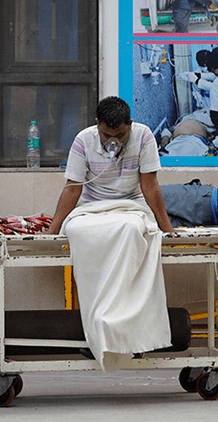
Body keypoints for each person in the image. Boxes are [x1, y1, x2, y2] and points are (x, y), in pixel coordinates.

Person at [46, 96, 175, 370]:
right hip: (91, 208)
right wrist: (52, 232)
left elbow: (150, 186)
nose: (111, 140)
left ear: (130, 125)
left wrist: (168, 230)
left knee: (131, 230)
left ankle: (127, 327)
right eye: (106, 134)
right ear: (97, 125)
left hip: (131, 206)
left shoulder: (143, 137)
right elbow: (72, 188)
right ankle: (97, 323)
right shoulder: (83, 140)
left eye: (119, 134)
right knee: (78, 232)